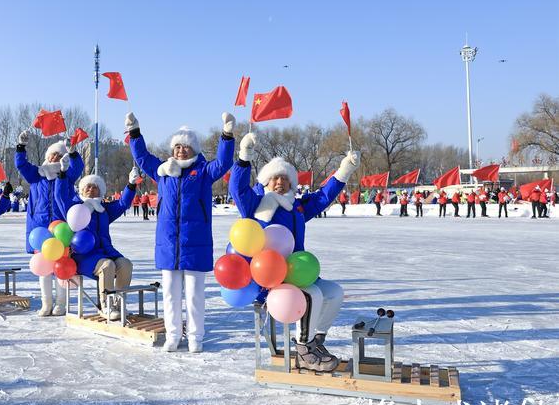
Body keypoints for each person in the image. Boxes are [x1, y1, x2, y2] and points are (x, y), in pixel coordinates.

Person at [230, 133, 361, 372]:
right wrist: (244, 156)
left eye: (284, 178)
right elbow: (237, 188)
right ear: (265, 182)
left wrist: (345, 170)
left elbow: (322, 197)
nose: (279, 182)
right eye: (274, 178)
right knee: (312, 296)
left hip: (296, 271)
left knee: (334, 293)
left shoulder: (296, 207)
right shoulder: (254, 205)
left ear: (291, 183)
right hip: (267, 278)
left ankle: (315, 340)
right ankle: (304, 350)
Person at [127, 110, 236, 353]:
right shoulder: (163, 171)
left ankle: (196, 337)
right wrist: (135, 132)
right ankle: (173, 335)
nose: (180, 151)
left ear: (193, 149)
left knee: (195, 296)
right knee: (170, 295)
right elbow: (143, 157)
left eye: (185, 147)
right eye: (177, 147)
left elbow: (224, 163)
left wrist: (227, 135)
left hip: (195, 242)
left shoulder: (204, 171)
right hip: (168, 243)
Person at [55, 167, 140, 319]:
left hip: (106, 251)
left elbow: (122, 204)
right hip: (82, 255)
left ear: (100, 192)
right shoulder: (74, 207)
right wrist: (62, 174)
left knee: (126, 264)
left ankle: (118, 304)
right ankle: (105, 305)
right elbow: (59, 196)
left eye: (95, 187)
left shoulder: (104, 210)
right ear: (82, 190)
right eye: (88, 186)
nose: (91, 189)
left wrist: (131, 185)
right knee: (107, 266)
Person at [16, 134, 84, 316]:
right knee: (44, 267)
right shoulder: (36, 176)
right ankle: (46, 303)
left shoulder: (67, 176)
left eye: (59, 155)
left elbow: (79, 167)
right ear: (47, 156)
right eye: (53, 154)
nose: (55, 157)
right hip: (41, 229)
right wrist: (21, 147)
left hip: (61, 228)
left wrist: (73, 152)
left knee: (61, 266)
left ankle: (61, 303)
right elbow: (21, 165)